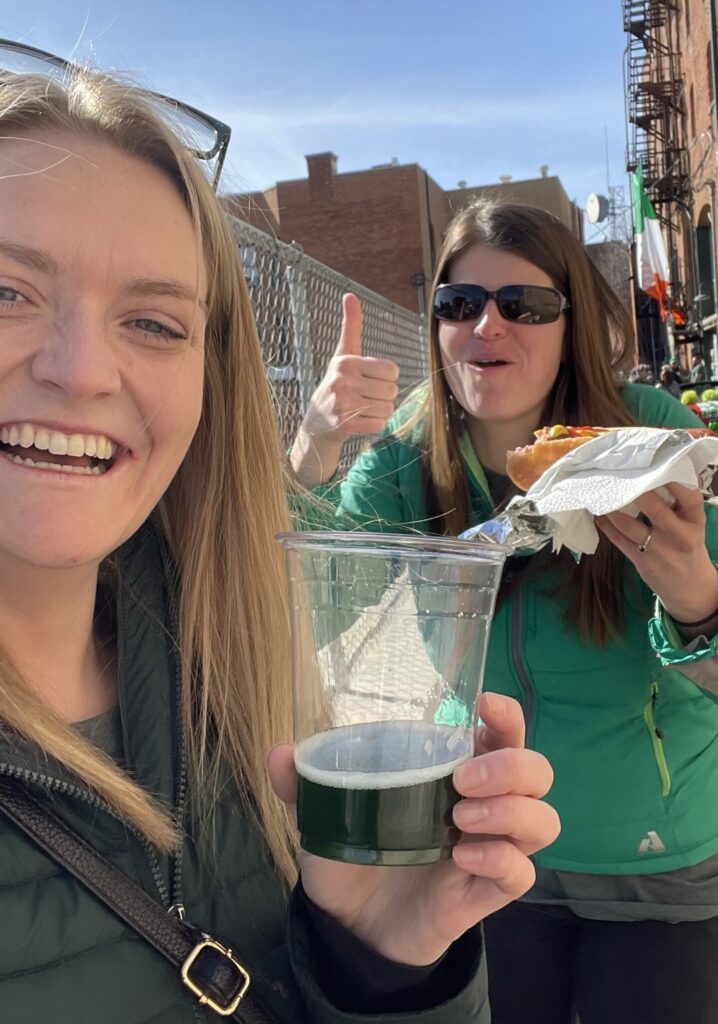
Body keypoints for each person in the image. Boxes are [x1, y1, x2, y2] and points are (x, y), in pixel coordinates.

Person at [0, 51, 560, 1023]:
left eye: (153, 321)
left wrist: (378, 964)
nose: (82, 368)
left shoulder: (225, 658)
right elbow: (339, 543)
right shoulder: (400, 453)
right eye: (6, 292)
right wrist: (322, 442)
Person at [291, 199, 718, 1024]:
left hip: (658, 865)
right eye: (460, 304)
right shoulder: (408, 456)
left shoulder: (650, 436)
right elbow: (306, 613)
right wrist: (311, 450)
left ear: (569, 326)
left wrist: (695, 592)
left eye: (524, 305)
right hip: (487, 846)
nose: (489, 325)